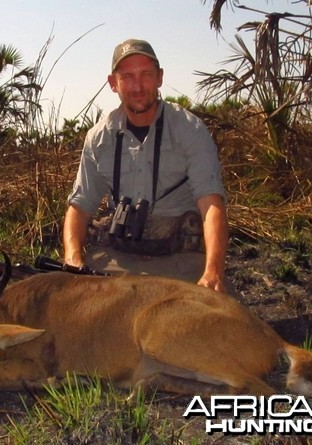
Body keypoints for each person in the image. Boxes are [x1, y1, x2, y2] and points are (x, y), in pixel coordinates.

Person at [62, 38, 230, 293]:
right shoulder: (98, 137)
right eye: (127, 76)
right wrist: (73, 259)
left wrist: (213, 272)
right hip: (115, 262)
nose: (138, 86)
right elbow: (80, 207)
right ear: (113, 83)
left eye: (146, 75)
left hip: (179, 263)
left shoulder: (190, 129)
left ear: (160, 77)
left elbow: (211, 206)